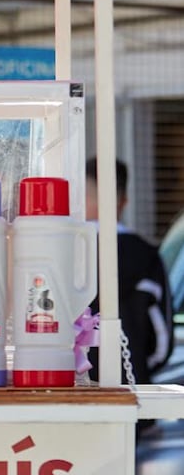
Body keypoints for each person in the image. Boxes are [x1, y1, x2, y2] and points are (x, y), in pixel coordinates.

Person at [86, 157, 173, 387]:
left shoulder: (63, 253)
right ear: (123, 202)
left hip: (68, 395)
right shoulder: (147, 256)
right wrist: (137, 369)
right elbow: (162, 342)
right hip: (135, 395)